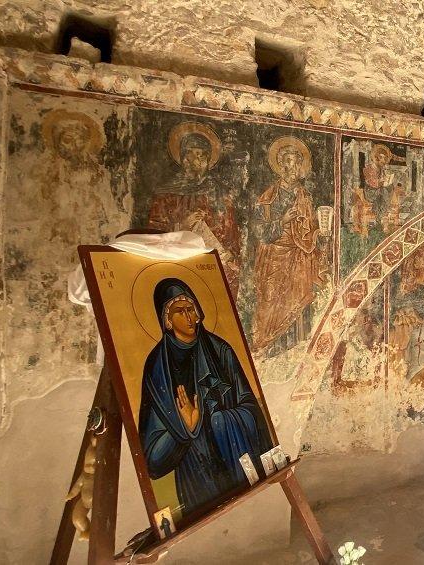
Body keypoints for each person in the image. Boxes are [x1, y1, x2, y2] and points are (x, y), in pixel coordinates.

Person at [139, 278, 273, 515]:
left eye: (191, 309)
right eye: (180, 311)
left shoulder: (221, 351)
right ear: (167, 321)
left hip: (234, 463)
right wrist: (186, 430)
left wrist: (221, 422)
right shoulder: (157, 367)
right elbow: (152, 459)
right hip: (195, 473)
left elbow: (251, 407)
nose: (189, 317)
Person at [251, 136, 326, 354]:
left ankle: (294, 351)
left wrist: (319, 233)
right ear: (280, 165)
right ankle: (266, 346)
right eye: (286, 161)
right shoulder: (267, 197)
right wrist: (282, 221)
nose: (290, 166)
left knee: (299, 300)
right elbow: (258, 230)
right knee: (270, 300)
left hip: (300, 257)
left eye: (294, 161)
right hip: (273, 255)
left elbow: (311, 229)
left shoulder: (305, 196)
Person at [148, 125, 241, 294]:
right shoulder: (166, 193)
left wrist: (230, 253)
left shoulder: (221, 193)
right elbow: (153, 236)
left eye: (200, 155)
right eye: (189, 155)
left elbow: (232, 232)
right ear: (182, 158)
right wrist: (182, 225)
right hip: (178, 262)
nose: (194, 161)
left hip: (213, 264)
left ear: (208, 159)